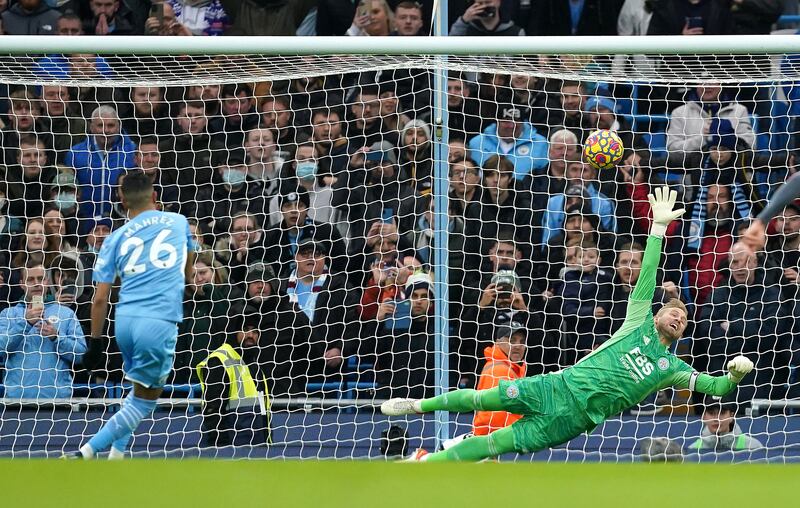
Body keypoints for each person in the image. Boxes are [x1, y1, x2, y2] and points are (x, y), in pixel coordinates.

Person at [381, 187, 755, 462]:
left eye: (684, 319)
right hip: (555, 386)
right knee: (481, 399)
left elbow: (718, 386)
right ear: (656, 314)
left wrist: (736, 374)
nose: (678, 316)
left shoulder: (671, 368)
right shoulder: (636, 321)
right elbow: (648, 271)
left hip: (571, 420)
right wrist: (657, 228)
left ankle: (423, 464)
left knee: (498, 443)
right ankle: (416, 405)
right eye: (673, 311)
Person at [70, 171, 195, 459]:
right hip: (158, 320)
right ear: (155, 196)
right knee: (146, 401)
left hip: (124, 321)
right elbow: (189, 267)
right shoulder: (178, 221)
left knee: (136, 390)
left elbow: (100, 298)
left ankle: (117, 455)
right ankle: (85, 453)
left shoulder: (114, 238)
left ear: (122, 201)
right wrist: (188, 284)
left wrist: (96, 343)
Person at [0, 260, 86, 399]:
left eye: (41, 279)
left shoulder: (66, 313)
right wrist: (25, 323)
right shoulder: (8, 314)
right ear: (22, 284)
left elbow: (81, 355)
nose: (36, 283)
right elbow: (1, 349)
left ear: (47, 282)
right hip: (17, 402)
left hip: (57, 401)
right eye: (30, 279)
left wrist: (57, 337)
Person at [197, 312, 270, 447]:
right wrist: (220, 447)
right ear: (233, 332)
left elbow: (263, 410)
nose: (250, 335)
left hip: (256, 447)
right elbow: (213, 410)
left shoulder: (254, 365)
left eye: (255, 331)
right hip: (228, 450)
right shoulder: (220, 360)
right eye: (245, 330)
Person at [472, 323, 527, 437]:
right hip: (498, 443)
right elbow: (493, 418)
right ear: (498, 342)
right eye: (512, 340)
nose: (518, 345)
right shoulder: (500, 370)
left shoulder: (505, 367)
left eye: (522, 341)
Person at [688, 398, 763, 452]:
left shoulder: (753, 446)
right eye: (711, 413)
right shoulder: (693, 449)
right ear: (704, 417)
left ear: (731, 416)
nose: (716, 419)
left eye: (722, 413)